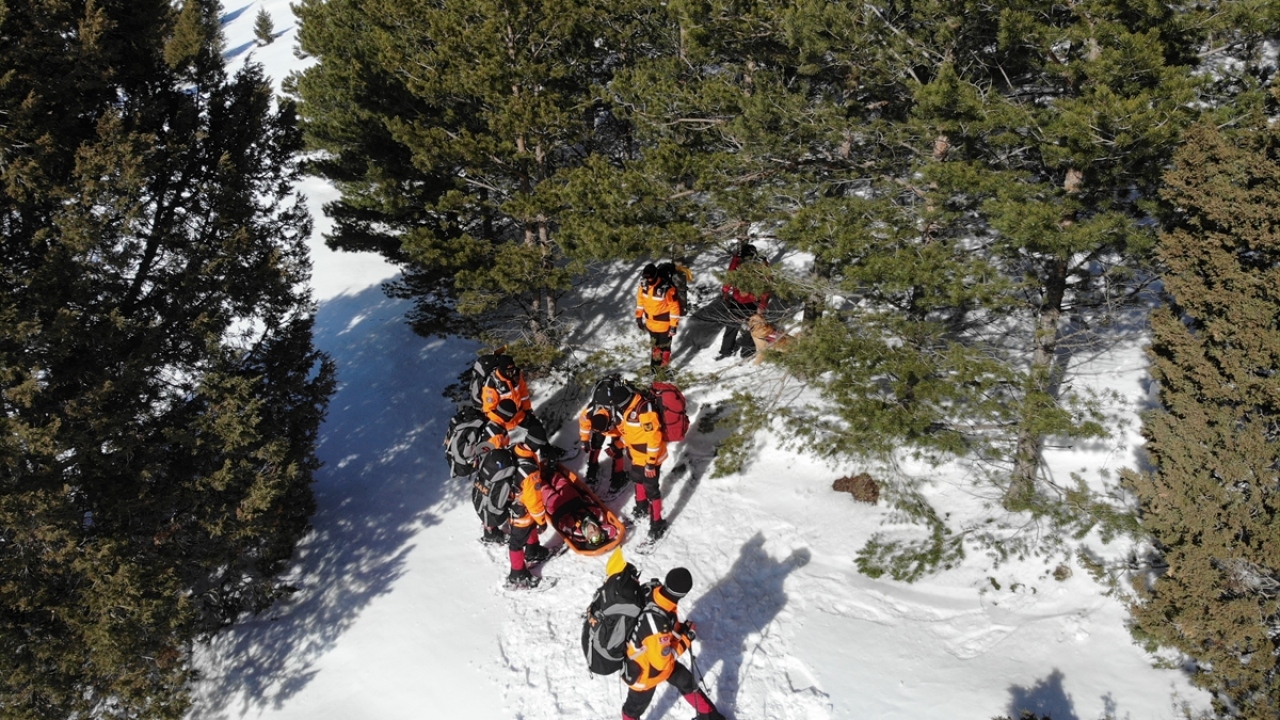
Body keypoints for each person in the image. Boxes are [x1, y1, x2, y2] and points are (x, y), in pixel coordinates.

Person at [621, 567, 723, 720]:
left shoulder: (652, 590)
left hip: (648, 652)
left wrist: (680, 630)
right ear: (683, 595)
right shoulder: (658, 627)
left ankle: (711, 717)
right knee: (632, 709)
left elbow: (665, 620)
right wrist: (686, 639)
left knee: (685, 680)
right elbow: (662, 662)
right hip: (644, 673)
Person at [472, 442, 552, 588]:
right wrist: (542, 521)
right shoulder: (529, 472)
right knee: (516, 543)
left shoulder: (512, 451)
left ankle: (533, 550)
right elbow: (534, 503)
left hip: (513, 506)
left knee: (529, 528)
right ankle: (517, 575)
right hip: (521, 514)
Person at [612, 388, 669, 540]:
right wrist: (618, 444)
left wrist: (650, 463)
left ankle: (657, 524)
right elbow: (632, 434)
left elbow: (654, 438)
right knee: (637, 478)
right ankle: (641, 508)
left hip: (651, 457)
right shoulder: (628, 408)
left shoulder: (644, 409)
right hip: (637, 456)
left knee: (651, 489)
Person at [477, 356, 560, 460]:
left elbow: (523, 393)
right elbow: (489, 410)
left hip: (519, 415)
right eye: (508, 371)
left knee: (538, 430)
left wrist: (527, 409)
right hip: (503, 421)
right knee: (498, 444)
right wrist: (499, 425)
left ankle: (547, 452)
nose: (511, 373)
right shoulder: (491, 385)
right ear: (501, 370)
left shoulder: (517, 375)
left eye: (513, 370)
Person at [717, 243, 770, 360]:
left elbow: (730, 276)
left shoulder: (738, 261)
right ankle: (746, 352)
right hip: (753, 302)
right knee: (752, 327)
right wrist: (762, 305)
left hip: (738, 300)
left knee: (732, 326)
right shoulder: (761, 265)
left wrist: (725, 293)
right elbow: (766, 286)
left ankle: (726, 350)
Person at [635, 263, 683, 371]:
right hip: (650, 324)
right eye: (646, 278)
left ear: (656, 275)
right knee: (655, 348)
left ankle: (663, 370)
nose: (649, 280)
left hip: (664, 325)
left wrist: (673, 326)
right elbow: (640, 301)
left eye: (651, 278)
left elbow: (674, 308)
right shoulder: (643, 286)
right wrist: (638, 317)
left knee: (664, 348)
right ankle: (654, 369)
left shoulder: (667, 288)